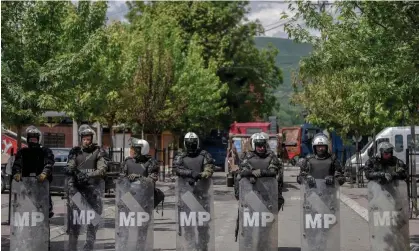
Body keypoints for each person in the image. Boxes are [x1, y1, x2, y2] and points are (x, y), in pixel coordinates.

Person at [234, 132, 284, 241]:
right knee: (249, 224)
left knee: (266, 224)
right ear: (253, 145)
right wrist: (251, 172)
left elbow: (273, 171)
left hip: (268, 195)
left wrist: (261, 172)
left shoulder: (271, 156)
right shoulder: (246, 156)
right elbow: (242, 171)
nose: (261, 148)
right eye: (258, 145)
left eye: (262, 145)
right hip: (250, 195)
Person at [65, 124, 108, 250]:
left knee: (93, 221)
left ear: (92, 139)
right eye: (84, 139)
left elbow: (102, 169)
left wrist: (88, 175)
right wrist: (72, 171)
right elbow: (71, 165)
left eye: (88, 139)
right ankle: (72, 247)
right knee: (75, 222)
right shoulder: (75, 151)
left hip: (93, 191)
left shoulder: (99, 151)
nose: (86, 141)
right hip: (77, 191)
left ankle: (88, 247)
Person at [12, 125, 55, 218]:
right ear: (27, 140)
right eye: (31, 140)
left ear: (39, 140)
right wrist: (16, 173)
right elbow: (17, 164)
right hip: (26, 184)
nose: (32, 142)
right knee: (26, 210)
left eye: (34, 140)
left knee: (44, 210)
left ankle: (47, 212)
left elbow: (49, 163)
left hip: (41, 184)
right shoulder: (23, 152)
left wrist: (44, 173)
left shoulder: (45, 151)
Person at [121, 137, 164, 209]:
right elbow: (122, 180)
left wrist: (139, 177)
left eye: (134, 149)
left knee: (143, 218)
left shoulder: (151, 163)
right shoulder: (127, 162)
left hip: (145, 199)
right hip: (129, 198)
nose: (132, 151)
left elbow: (151, 181)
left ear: (141, 150)